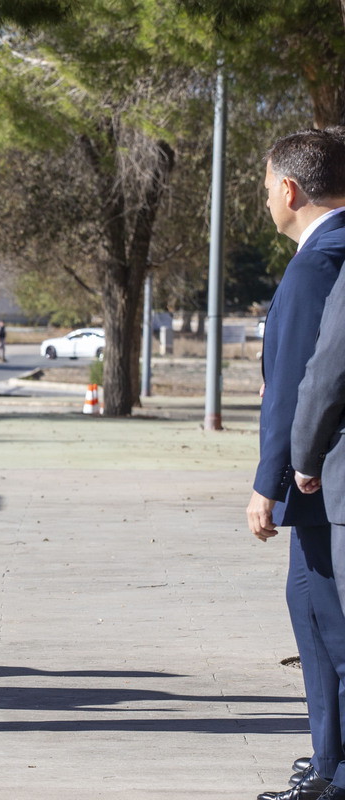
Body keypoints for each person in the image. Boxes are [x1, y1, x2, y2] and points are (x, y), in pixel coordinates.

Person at [246, 128, 345, 800]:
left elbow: (302, 382)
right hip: (324, 473)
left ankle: (332, 770)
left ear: (290, 188)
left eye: (264, 190)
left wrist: (268, 482)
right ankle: (327, 762)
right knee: (316, 613)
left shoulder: (317, 264)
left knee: (321, 618)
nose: (265, 203)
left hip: (321, 474)